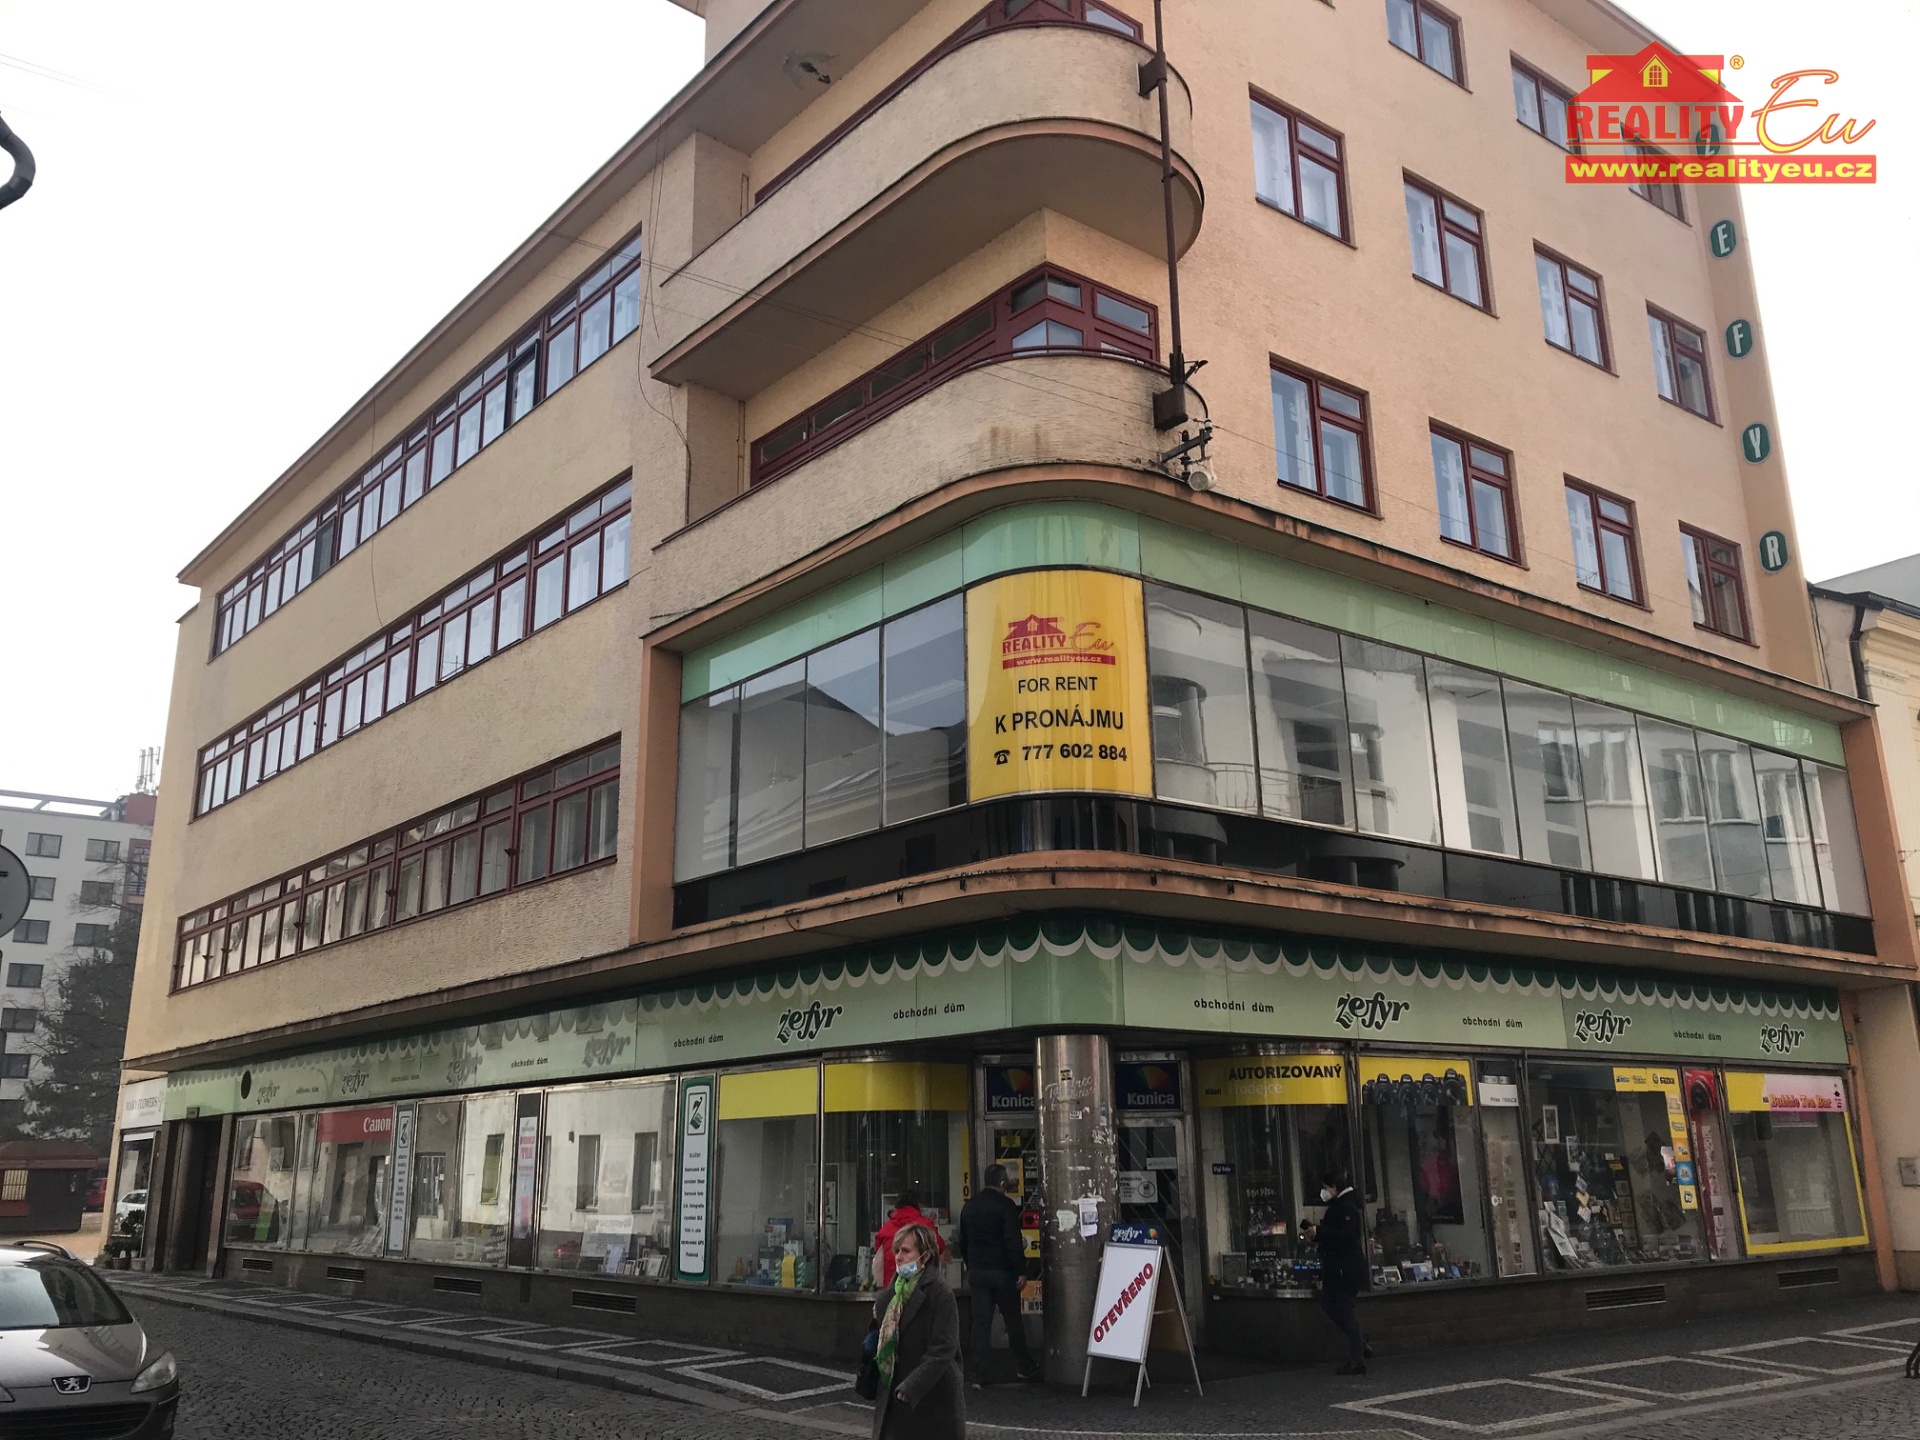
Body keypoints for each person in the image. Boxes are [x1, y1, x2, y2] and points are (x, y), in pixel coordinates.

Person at [869, 1222, 965, 1440]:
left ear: (925, 1255)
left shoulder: (939, 1292)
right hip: (895, 1398)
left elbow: (944, 1348)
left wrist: (912, 1385)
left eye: (906, 1251)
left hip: (930, 1398)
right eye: (897, 1251)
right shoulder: (892, 1294)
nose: (899, 1257)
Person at [953, 1163, 1040, 1387]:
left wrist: (971, 1264)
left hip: (977, 1272)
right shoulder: (1005, 1206)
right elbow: (1012, 1241)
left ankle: (979, 1374)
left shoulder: (969, 1206)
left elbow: (963, 1241)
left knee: (980, 1324)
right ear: (1002, 1183)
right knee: (1013, 1320)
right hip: (1002, 1272)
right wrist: (1021, 1270)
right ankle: (1024, 1366)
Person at [1306, 1167, 1371, 1376]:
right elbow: (1335, 1234)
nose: (1323, 1192)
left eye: (1326, 1188)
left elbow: (1347, 1236)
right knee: (1329, 1304)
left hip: (1346, 1268)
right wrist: (1317, 1235)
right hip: (1336, 1267)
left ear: (1334, 1188)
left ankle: (1357, 1358)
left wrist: (1321, 1231)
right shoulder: (1339, 1206)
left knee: (1344, 1308)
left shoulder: (1347, 1207)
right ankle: (1359, 1344)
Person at [875, 1189, 948, 1288]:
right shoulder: (925, 1225)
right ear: (918, 1204)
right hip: (919, 1284)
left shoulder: (886, 1227)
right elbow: (939, 1246)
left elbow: (878, 1251)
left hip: (891, 1285)